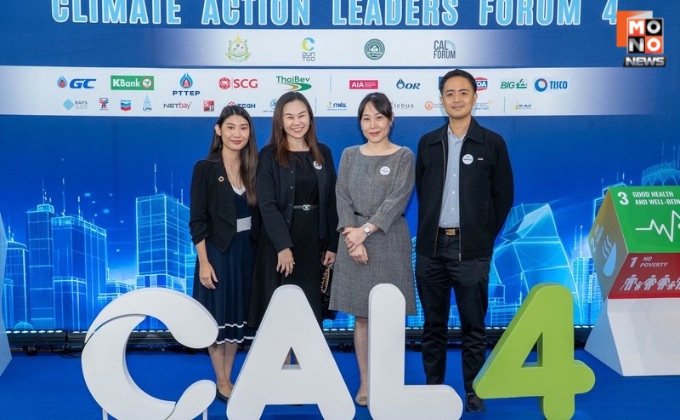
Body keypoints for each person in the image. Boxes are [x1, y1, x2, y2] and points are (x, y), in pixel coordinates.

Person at [415, 69, 514, 412]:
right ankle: (433, 388)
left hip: (471, 251)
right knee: (433, 325)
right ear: (441, 99)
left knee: (474, 326)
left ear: (474, 97)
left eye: (463, 92)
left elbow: (503, 195)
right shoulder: (428, 143)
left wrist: (482, 235)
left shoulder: (492, 143)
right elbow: (423, 191)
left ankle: (474, 390)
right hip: (431, 250)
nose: (456, 99)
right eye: (449, 93)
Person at [330, 92, 416, 407]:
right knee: (362, 317)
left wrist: (364, 232)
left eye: (379, 117)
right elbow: (341, 196)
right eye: (366, 118)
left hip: (388, 239)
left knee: (390, 317)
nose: (373, 124)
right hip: (352, 240)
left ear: (391, 120)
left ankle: (388, 381)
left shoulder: (403, 156)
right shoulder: (349, 155)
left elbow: (398, 199)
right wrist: (351, 237)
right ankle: (366, 382)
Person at [249, 91, 339, 329]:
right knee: (279, 315)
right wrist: (283, 246)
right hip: (279, 244)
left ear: (310, 118)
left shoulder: (324, 152)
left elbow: (332, 201)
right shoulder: (268, 155)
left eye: (302, 115)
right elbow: (267, 204)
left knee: (310, 314)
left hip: (314, 244)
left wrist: (333, 244)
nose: (296, 122)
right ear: (280, 121)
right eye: (289, 117)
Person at [189, 105, 259, 403]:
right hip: (217, 254)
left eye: (243, 127)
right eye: (230, 127)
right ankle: (221, 380)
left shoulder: (255, 167)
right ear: (218, 130)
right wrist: (204, 262)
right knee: (217, 319)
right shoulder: (205, 168)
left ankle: (228, 377)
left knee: (236, 319)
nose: (237, 134)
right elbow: (197, 221)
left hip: (247, 253)